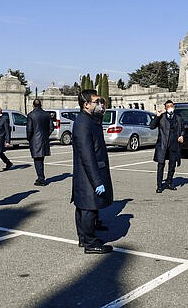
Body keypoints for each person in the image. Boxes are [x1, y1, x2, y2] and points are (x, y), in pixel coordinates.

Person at [71, 89, 114, 254]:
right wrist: (97, 182)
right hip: (88, 173)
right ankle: (90, 243)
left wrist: (102, 107)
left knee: (86, 206)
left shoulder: (90, 119)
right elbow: (87, 155)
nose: (100, 104)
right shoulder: (83, 123)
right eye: (96, 102)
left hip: (91, 171)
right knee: (88, 207)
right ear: (86, 104)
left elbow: (100, 114)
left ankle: (84, 238)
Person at [149, 100, 184, 193]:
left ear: (174, 107)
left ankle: (169, 182)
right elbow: (152, 126)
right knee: (161, 165)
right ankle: (159, 186)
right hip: (163, 145)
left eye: (171, 106)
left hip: (174, 145)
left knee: (172, 166)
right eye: (168, 107)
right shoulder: (161, 117)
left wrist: (182, 135)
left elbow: (183, 129)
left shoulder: (178, 118)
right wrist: (157, 116)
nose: (170, 108)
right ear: (165, 108)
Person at [27, 99, 54, 186]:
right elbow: (51, 128)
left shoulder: (31, 115)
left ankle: (41, 179)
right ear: (41, 105)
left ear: (33, 105)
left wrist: (29, 138)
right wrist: (46, 135)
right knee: (41, 160)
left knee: (37, 160)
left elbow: (29, 129)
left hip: (35, 140)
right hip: (44, 139)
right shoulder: (47, 114)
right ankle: (41, 177)